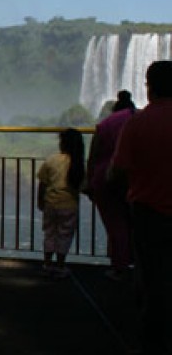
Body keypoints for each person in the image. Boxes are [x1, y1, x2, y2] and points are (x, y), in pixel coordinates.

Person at [111, 60, 172, 354]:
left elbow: (118, 169)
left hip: (148, 212)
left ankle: (152, 341)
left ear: (150, 88)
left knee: (151, 279)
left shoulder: (136, 123)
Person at [86, 90, 135, 279]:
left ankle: (119, 266)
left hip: (105, 180)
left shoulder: (106, 124)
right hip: (134, 178)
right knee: (136, 224)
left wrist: (89, 181)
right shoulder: (138, 119)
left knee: (116, 226)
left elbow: (93, 155)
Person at [37, 128, 85, 279]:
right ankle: (60, 266)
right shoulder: (78, 164)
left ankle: (47, 264)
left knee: (49, 233)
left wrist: (40, 201)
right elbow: (83, 186)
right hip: (69, 206)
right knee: (64, 235)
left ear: (62, 143)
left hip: (50, 203)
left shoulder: (51, 160)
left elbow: (43, 183)